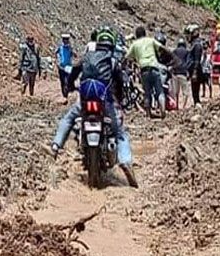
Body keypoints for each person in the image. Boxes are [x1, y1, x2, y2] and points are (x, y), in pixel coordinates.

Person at [52, 29, 137, 187]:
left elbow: (72, 75)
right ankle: (125, 161)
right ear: (111, 45)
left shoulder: (86, 58)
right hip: (106, 103)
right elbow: (119, 84)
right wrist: (121, 99)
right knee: (120, 132)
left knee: (69, 118)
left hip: (85, 102)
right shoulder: (112, 61)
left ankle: (55, 145)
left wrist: (70, 87)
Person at [125, 25, 163, 117]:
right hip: (154, 67)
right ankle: (163, 111)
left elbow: (127, 57)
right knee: (160, 91)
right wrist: (172, 57)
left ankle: (148, 113)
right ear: (145, 34)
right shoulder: (150, 40)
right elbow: (162, 48)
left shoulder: (134, 44)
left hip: (144, 70)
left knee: (147, 92)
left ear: (136, 35)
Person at [169, 28, 196, 109]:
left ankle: (176, 106)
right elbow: (188, 62)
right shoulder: (187, 52)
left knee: (176, 92)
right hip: (183, 73)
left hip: (175, 73)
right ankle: (184, 107)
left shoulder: (174, 51)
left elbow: (171, 60)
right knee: (185, 92)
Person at [186, 25, 210, 106]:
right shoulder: (194, 44)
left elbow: (197, 60)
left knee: (195, 90)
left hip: (196, 70)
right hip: (193, 70)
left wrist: (194, 73)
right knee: (194, 90)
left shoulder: (197, 45)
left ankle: (197, 104)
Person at [56, 33, 76, 98]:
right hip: (61, 67)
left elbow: (75, 55)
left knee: (67, 81)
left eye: (67, 39)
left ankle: (66, 93)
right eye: (64, 39)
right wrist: (58, 61)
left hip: (68, 67)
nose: (65, 41)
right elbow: (55, 53)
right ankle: (64, 95)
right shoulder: (60, 47)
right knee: (62, 81)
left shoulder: (70, 48)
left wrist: (72, 51)